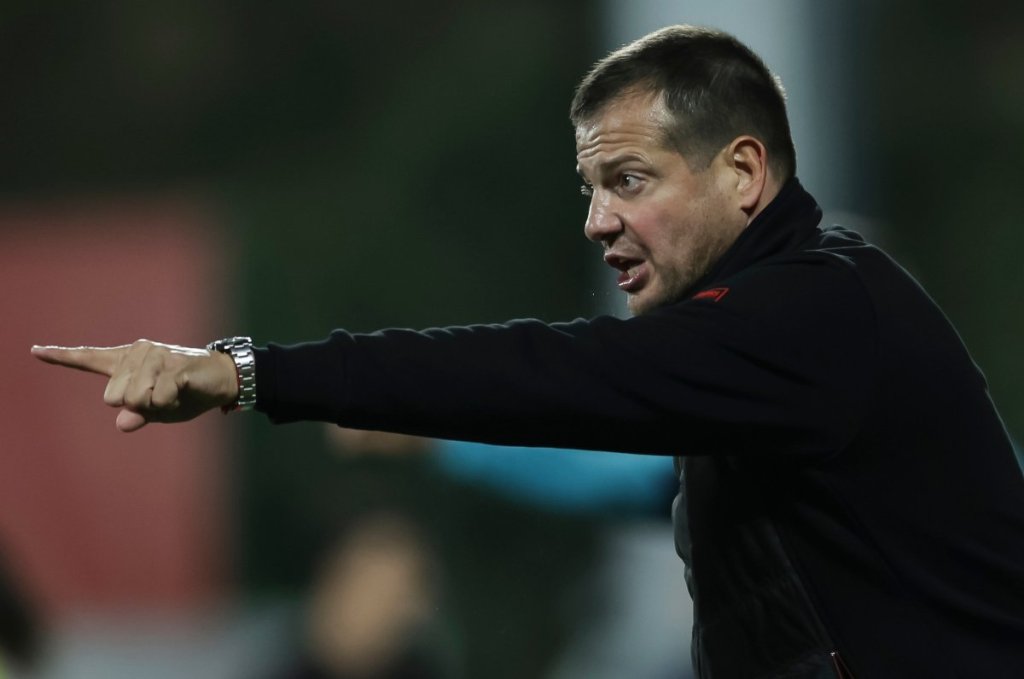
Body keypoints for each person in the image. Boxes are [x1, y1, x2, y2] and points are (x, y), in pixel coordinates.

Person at [32, 25, 1024, 678]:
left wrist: (251, 372)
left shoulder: (814, 308)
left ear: (743, 172)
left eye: (629, 180)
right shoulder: (768, 346)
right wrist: (438, 440)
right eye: (591, 189)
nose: (597, 221)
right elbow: (628, 467)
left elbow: (556, 375)